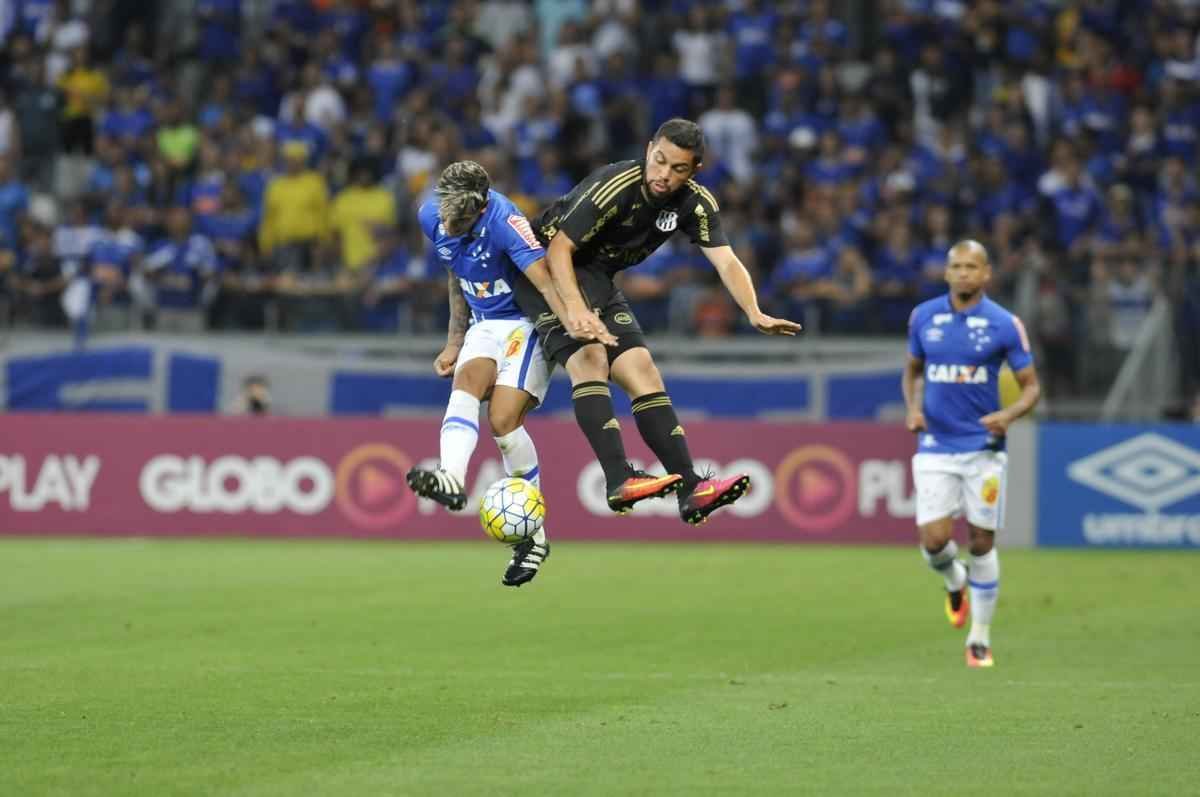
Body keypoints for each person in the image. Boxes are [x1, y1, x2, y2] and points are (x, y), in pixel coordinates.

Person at [512, 118, 802, 525]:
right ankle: (619, 478)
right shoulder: (615, 185)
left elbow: (726, 260)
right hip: (542, 268)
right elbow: (560, 248)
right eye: (660, 160)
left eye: (678, 168)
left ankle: (691, 489)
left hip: (597, 278)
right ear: (649, 149)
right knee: (591, 358)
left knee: (642, 369)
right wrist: (574, 309)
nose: (664, 174)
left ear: (694, 170)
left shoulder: (696, 204)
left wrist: (753, 311)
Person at [405, 160, 571, 587]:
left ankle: (534, 539)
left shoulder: (507, 223)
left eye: (458, 220)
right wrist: (455, 340)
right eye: (444, 214)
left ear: (480, 209)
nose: (448, 225)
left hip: (524, 323)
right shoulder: (432, 215)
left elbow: (547, 283)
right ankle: (451, 477)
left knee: (502, 421)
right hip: (483, 324)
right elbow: (455, 273)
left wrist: (574, 330)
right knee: (464, 384)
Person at [902, 240, 1042, 669]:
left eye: (972, 267)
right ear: (946, 272)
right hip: (935, 445)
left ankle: (979, 638)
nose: (964, 273)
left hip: (984, 448)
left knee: (981, 542)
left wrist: (1009, 415)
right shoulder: (923, 317)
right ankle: (954, 579)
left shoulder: (1004, 324)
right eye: (957, 266)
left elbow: (1032, 387)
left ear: (986, 274)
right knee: (934, 542)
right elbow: (912, 371)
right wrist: (912, 408)